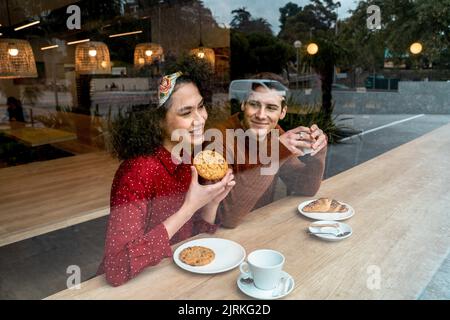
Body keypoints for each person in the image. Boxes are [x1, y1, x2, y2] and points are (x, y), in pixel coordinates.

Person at [98, 72, 235, 286]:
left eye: (200, 106)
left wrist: (212, 203)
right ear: (158, 121)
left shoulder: (189, 160)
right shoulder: (136, 172)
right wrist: (188, 209)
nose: (200, 119)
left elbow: (194, 243)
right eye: (186, 112)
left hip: (177, 281)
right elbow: (116, 269)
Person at [213, 80, 328, 228]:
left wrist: (318, 151)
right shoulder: (218, 139)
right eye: (254, 104)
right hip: (224, 237)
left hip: (260, 225)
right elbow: (226, 218)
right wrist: (275, 152)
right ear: (243, 104)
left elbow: (305, 187)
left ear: (282, 112)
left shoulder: (273, 132)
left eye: (271, 108)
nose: (261, 115)